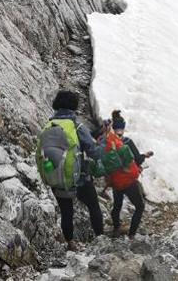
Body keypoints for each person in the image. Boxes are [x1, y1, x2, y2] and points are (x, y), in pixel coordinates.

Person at [36, 90, 104, 251]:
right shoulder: (77, 125)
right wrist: (103, 143)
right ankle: (100, 240)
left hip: (56, 176)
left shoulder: (49, 125)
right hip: (79, 178)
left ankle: (70, 243)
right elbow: (94, 151)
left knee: (67, 212)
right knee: (93, 206)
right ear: (74, 106)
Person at [103, 110, 153, 238]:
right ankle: (131, 235)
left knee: (117, 206)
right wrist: (145, 155)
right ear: (123, 128)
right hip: (129, 180)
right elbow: (137, 159)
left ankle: (116, 228)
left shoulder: (109, 142)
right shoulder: (127, 142)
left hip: (115, 181)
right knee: (140, 206)